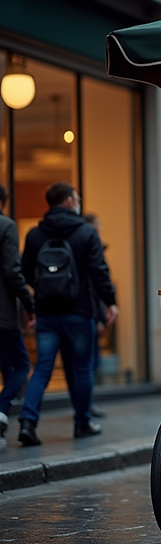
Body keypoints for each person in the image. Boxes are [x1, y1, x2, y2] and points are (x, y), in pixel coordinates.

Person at [19, 183, 118, 445]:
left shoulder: (35, 234)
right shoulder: (86, 232)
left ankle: (27, 422)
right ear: (68, 201)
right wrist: (110, 301)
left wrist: (44, 290)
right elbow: (99, 271)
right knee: (82, 369)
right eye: (76, 198)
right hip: (79, 311)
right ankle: (82, 423)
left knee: (41, 369)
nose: (78, 202)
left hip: (47, 314)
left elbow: (25, 272)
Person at [0, 185, 35, 443]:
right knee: (22, 364)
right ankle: (1, 408)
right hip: (2, 313)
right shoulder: (6, 226)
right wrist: (29, 302)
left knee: (7, 364)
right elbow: (12, 271)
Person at [81, 213, 110, 418]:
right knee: (89, 363)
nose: (99, 229)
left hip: (86, 312)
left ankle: (85, 406)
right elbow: (96, 285)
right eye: (97, 226)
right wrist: (101, 315)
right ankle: (85, 407)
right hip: (87, 313)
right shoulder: (91, 248)